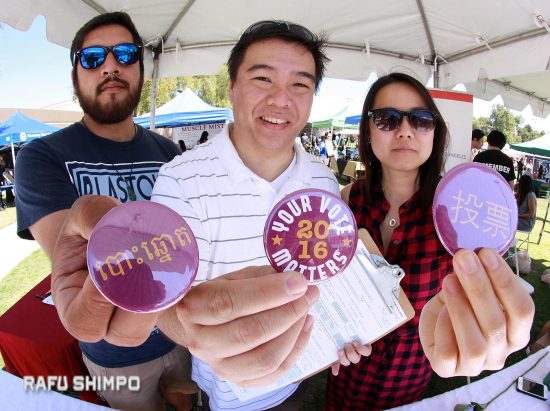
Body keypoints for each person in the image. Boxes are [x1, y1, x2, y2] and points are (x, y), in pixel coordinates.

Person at [48, 22, 532, 411]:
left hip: (303, 381)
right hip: (226, 391)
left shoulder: (324, 183)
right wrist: (180, 322)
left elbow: (328, 285)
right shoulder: (181, 177)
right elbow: (167, 291)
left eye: (300, 84)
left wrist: (340, 332)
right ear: (232, 86)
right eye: (263, 79)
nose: (281, 99)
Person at [14, 12, 194, 411]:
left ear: (140, 69)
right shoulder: (41, 157)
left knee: (185, 401)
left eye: (125, 54)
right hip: (115, 354)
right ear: (75, 75)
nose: (111, 66)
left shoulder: (169, 152)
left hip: (182, 335)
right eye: (93, 57)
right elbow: (84, 269)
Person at [324, 73, 534, 410]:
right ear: (368, 130)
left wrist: (490, 325)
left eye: (421, 120)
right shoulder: (346, 201)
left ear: (435, 132)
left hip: (408, 374)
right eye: (387, 118)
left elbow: (478, 295)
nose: (405, 130)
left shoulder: (457, 212)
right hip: (348, 368)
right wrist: (331, 330)